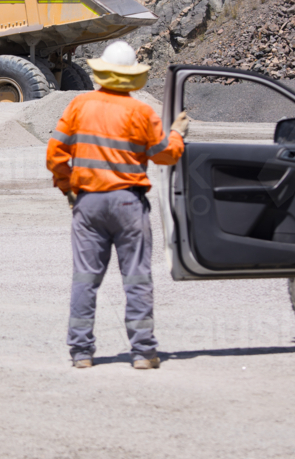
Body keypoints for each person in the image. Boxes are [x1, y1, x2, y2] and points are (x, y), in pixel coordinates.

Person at [46, 40, 189, 370]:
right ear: (131, 78)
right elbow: (165, 154)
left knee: (85, 279)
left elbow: (55, 154)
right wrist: (177, 133)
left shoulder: (79, 106)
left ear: (102, 73)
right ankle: (142, 352)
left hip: (89, 205)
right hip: (129, 205)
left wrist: (69, 189)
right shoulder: (142, 112)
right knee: (136, 279)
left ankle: (81, 352)